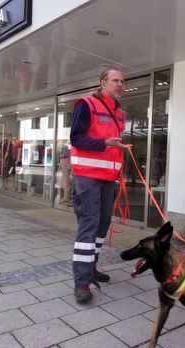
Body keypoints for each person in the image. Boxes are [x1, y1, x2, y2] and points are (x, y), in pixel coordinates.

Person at [70, 67, 130, 303]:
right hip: (87, 176)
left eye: (122, 81)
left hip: (108, 178)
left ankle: (91, 267)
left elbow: (111, 144)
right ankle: (81, 282)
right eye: (115, 80)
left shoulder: (119, 114)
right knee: (89, 225)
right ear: (103, 83)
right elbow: (76, 138)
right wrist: (105, 143)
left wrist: (118, 148)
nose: (120, 85)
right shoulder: (87, 104)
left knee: (103, 224)